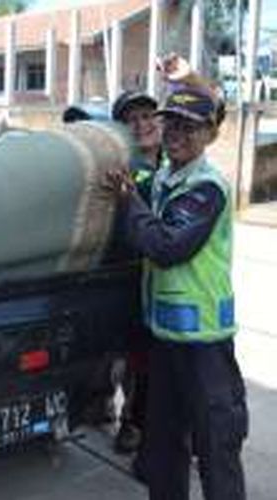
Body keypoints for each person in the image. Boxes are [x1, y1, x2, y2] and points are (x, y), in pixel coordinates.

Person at [106, 86, 248, 500]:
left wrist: (129, 200)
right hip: (166, 342)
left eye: (190, 126)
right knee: (164, 447)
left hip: (205, 345)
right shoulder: (164, 179)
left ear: (210, 134)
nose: (176, 133)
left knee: (216, 446)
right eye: (172, 122)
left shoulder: (207, 187)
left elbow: (166, 247)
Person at [109, 90, 161, 457]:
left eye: (148, 116)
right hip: (125, 274)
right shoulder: (119, 165)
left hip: (166, 277)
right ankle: (128, 418)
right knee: (129, 355)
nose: (142, 124)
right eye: (133, 119)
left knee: (153, 359)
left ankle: (141, 419)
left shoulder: (176, 163)